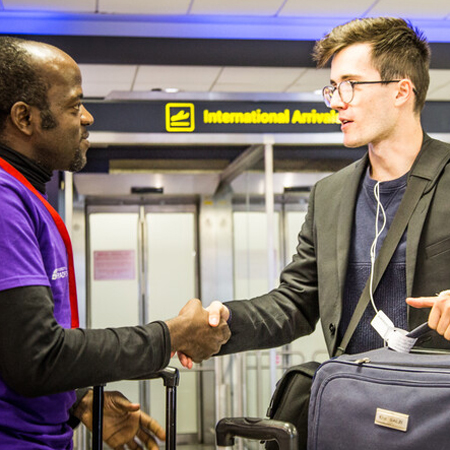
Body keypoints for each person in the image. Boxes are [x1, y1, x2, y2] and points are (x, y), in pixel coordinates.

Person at [179, 16, 450, 370]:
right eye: (333, 87)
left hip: (434, 408)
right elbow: (295, 303)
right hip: (352, 404)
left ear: (401, 91)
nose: (336, 101)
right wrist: (226, 322)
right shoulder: (330, 195)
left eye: (351, 84)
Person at [0, 36, 231, 449]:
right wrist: (171, 335)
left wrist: (76, 399)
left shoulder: (25, 193)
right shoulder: (3, 198)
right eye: (74, 106)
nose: (87, 117)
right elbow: (36, 358)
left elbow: (13, 349)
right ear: (24, 117)